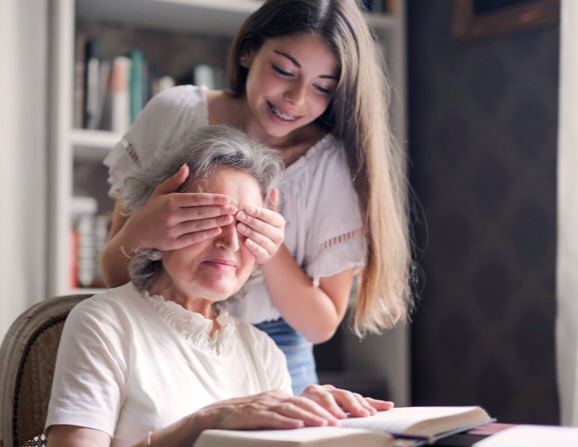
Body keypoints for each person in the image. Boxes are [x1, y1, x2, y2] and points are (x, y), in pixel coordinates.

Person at [100, 0, 413, 394]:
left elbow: (320, 325)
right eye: (283, 71)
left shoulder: (331, 166)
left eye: (322, 88)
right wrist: (141, 231)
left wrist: (267, 245)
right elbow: (113, 276)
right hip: (160, 336)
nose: (296, 99)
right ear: (248, 51)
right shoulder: (173, 113)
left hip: (277, 353)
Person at [45, 125, 393, 447]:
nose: (230, 241)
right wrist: (204, 423)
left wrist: (324, 424)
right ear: (163, 220)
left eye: (247, 226)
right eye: (210, 219)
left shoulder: (262, 351)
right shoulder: (104, 324)